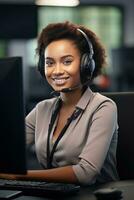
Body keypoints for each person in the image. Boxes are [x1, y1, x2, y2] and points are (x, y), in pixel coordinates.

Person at [0, 21, 119, 185]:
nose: (56, 71)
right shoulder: (42, 109)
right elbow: (7, 147)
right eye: (49, 63)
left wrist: (21, 176)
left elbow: (86, 173)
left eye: (67, 61)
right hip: (53, 193)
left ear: (86, 65)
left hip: (95, 195)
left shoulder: (103, 107)